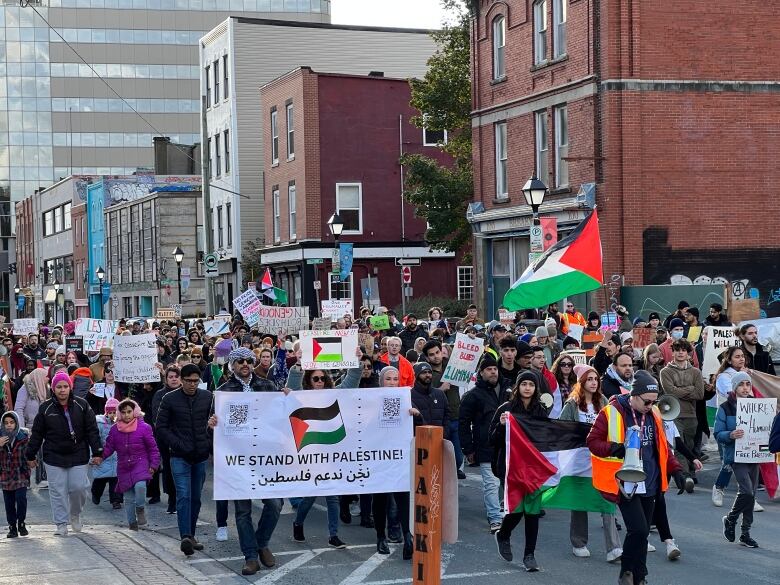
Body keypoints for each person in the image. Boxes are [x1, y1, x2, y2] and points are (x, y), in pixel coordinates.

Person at [587, 370, 674, 585]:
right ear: (634, 396)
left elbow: (662, 447)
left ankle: (640, 576)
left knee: (642, 535)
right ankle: (626, 571)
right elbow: (592, 441)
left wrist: (678, 470)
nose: (650, 406)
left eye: (654, 402)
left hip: (650, 480)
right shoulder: (611, 412)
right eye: (646, 401)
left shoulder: (653, 413)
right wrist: (614, 448)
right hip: (625, 482)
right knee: (639, 529)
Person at [211, 348, 285, 573]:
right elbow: (215, 431)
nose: (245, 364)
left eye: (248, 361)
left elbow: (282, 416)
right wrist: (212, 425)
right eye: (239, 361)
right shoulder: (223, 392)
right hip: (237, 460)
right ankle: (250, 556)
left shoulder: (268, 386)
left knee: (275, 503)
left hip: (265, 458)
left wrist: (290, 398)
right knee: (243, 511)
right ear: (232, 365)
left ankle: (261, 543)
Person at [25, 370, 103, 536]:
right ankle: (61, 523)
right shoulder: (45, 408)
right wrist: (30, 455)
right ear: (53, 389)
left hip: (79, 453)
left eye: (65, 386)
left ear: (70, 387)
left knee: (79, 488)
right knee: (58, 491)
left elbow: (92, 430)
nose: (62, 390)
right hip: (54, 456)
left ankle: (75, 514)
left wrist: (97, 452)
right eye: (58, 387)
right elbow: (37, 433)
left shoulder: (82, 405)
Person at [558, 366, 622, 563]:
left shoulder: (604, 402)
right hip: (579, 461)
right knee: (580, 502)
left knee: (607, 500)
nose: (594, 382)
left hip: (601, 461)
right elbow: (562, 429)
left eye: (596, 378)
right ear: (581, 381)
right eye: (589, 379)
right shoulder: (572, 404)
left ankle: (614, 548)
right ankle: (579, 542)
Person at [490, 371, 550, 572]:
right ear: (517, 387)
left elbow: (545, 438)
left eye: (531, 385)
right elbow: (492, 440)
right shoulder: (506, 409)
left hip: (533, 468)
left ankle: (529, 555)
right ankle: (503, 534)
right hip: (511, 467)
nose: (527, 388)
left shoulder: (540, 411)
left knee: (532, 512)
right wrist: (501, 426)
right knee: (516, 510)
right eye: (523, 384)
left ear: (536, 389)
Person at [155, 363, 212, 557]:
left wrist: (209, 437)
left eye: (196, 381)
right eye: (189, 381)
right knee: (183, 496)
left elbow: (212, 422)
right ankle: (185, 536)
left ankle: (192, 535)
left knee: (195, 498)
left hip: (201, 455)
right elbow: (160, 427)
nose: (193, 385)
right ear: (181, 380)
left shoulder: (207, 397)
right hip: (179, 456)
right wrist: (177, 444)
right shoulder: (169, 399)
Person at [459, 354, 511, 533]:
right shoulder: (472, 396)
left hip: (508, 446)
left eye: (495, 369)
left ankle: (504, 513)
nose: (493, 372)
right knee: (491, 484)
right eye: (489, 369)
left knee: (507, 483)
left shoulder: (508, 390)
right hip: (486, 446)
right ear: (481, 373)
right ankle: (495, 519)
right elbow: (463, 424)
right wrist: (468, 448)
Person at [715, 371, 760, 548]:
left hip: (755, 455)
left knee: (751, 495)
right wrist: (731, 434)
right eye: (741, 384)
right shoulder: (725, 408)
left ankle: (745, 533)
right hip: (736, 455)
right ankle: (731, 518)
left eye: (747, 384)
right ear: (734, 387)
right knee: (747, 491)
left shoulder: (758, 406)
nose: (745, 388)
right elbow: (718, 434)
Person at [102, 399, 160, 531]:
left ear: (135, 411)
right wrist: (99, 457)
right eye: (123, 412)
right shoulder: (115, 430)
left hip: (141, 462)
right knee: (128, 498)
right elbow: (109, 447)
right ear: (119, 413)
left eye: (129, 411)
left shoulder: (144, 428)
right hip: (124, 466)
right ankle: (132, 523)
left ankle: (140, 508)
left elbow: (153, 448)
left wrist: (154, 464)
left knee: (140, 487)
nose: (127, 415)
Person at [1, 411, 30, 538]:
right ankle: (12, 526)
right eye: (6, 423)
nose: (9, 425)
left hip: (20, 473)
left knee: (21, 499)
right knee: (9, 502)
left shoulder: (23, 437)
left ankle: (21, 523)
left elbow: (29, 455)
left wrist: (29, 467)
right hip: (5, 475)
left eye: (12, 422)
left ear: (17, 423)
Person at [91, 398, 122, 509]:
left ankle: (116, 501)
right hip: (104, 457)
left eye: (115, 412)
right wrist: (94, 455)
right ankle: (96, 494)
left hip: (117, 457)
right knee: (100, 480)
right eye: (110, 412)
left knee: (116, 480)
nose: (113, 415)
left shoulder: (122, 425)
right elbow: (94, 440)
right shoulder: (99, 424)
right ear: (106, 413)